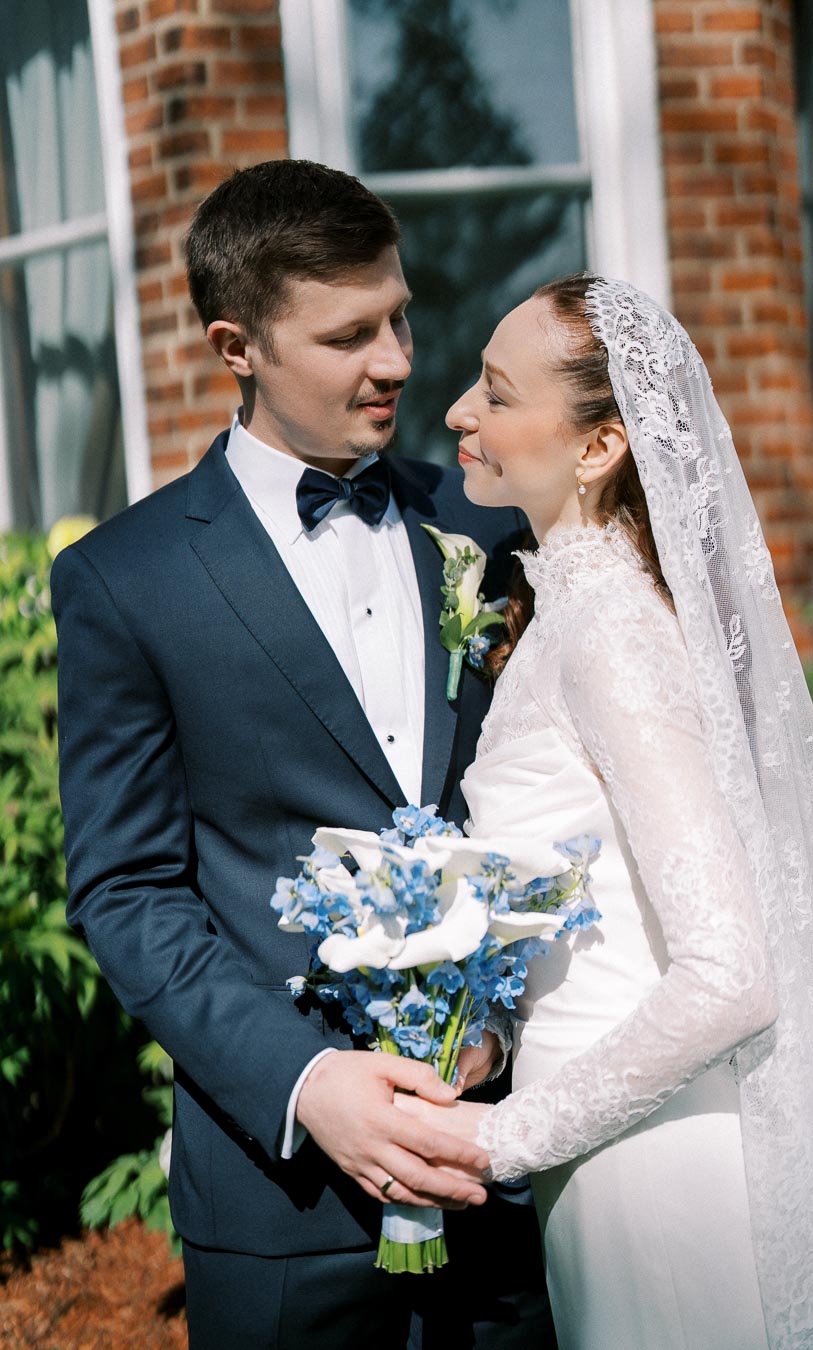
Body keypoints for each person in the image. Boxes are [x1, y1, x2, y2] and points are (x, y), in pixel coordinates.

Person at [51, 159, 555, 1349]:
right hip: (284, 1216)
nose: (397, 361)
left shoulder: (488, 525)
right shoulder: (127, 583)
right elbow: (127, 890)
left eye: (399, 318)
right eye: (347, 335)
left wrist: (511, 1025)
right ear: (239, 345)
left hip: (510, 1170)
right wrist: (308, 1083)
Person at [395, 274, 813, 1349]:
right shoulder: (571, 608)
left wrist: (499, 1141)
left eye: (495, 391)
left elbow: (731, 977)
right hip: (610, 1146)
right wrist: (482, 1031)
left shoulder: (613, 630)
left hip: (660, 1165)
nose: (456, 415)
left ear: (599, 446)